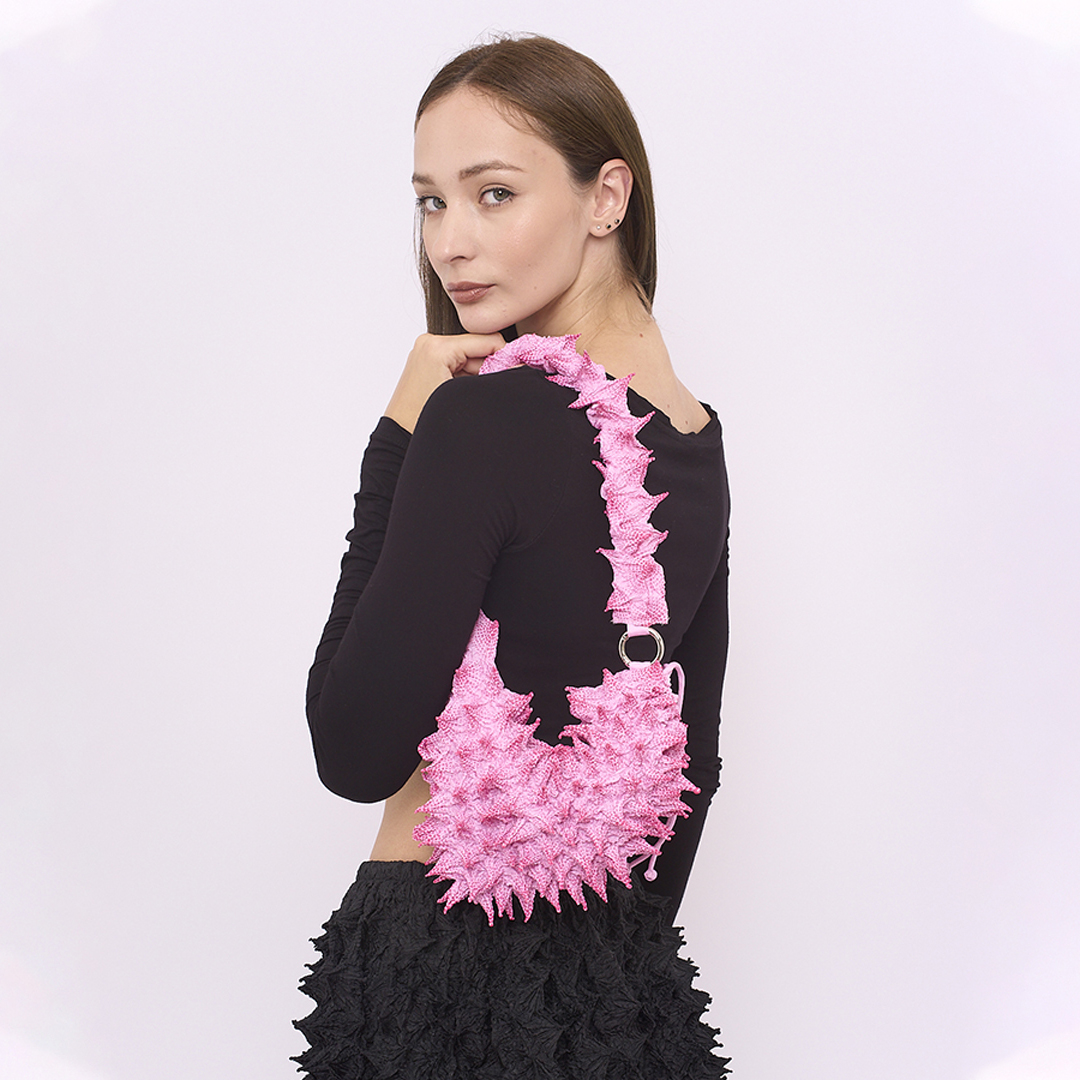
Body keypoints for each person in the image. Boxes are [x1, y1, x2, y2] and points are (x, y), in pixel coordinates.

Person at [294, 34, 732, 1079]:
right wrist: (598, 978)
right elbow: (696, 763)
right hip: (620, 983)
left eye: (493, 194)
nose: (450, 242)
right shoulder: (694, 435)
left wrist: (398, 435)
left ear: (606, 197)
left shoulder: (483, 418)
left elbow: (352, 749)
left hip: (435, 969)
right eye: (430, 202)